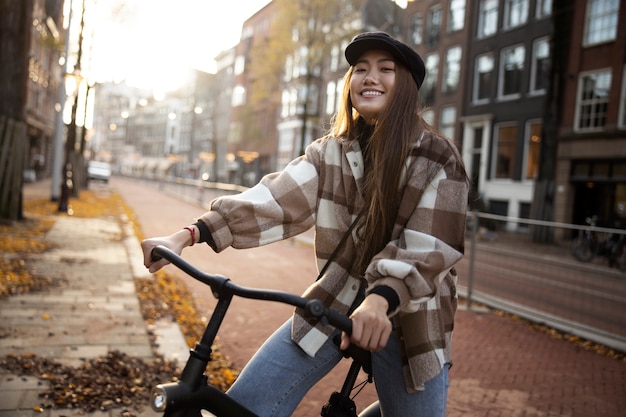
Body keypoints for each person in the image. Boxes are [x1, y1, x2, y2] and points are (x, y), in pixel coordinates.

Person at [141, 31, 468, 417]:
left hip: (410, 324)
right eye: (360, 69)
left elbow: (428, 246)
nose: (369, 77)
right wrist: (188, 234)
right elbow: (276, 197)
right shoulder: (331, 151)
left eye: (386, 69)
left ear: (408, 87)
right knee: (243, 405)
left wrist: (380, 300)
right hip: (335, 301)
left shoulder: (437, 157)